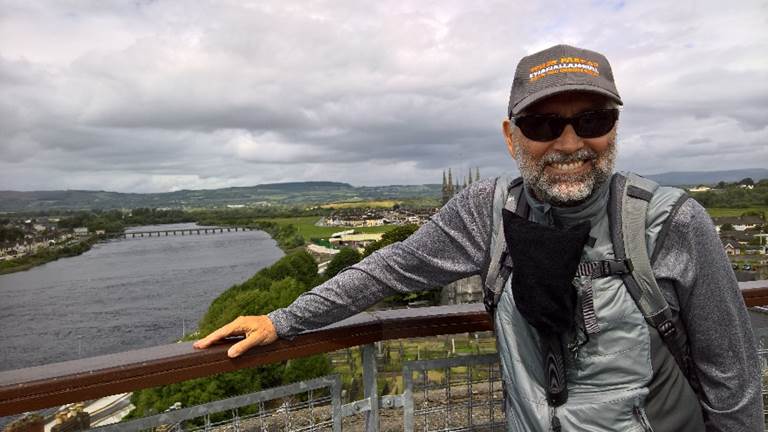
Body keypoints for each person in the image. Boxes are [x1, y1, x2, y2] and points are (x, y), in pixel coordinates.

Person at [194, 45, 762, 431]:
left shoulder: (670, 222)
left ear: (614, 126)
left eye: (591, 120)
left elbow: (731, 378)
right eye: (542, 125)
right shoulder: (486, 212)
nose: (569, 143)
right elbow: (388, 269)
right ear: (510, 135)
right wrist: (283, 320)